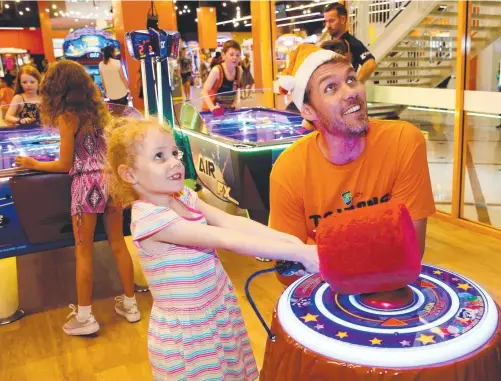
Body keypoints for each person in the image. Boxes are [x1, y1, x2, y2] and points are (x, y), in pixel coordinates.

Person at [105, 118, 319, 381]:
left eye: (175, 153)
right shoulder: (150, 221)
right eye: (159, 157)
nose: (174, 162)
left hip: (218, 309)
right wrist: (298, 254)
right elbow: (225, 238)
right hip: (190, 334)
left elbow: (230, 221)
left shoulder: (183, 197)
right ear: (130, 175)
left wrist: (291, 242)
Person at [271, 45, 435, 281]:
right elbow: (288, 270)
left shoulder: (404, 142)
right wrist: (377, 242)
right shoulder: (289, 171)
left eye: (351, 79)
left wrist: (320, 252)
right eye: (331, 87)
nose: (350, 92)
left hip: (391, 290)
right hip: (323, 299)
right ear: (308, 110)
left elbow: (411, 250)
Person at [14, 60, 140, 335]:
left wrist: (32, 163)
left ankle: (85, 317)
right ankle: (131, 306)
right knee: (118, 245)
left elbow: (64, 164)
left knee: (83, 253)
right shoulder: (100, 111)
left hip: (86, 186)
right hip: (110, 181)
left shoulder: (68, 117)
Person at [323, 2, 377, 82]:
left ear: (342, 20)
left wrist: (356, 84)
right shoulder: (327, 44)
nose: (328, 25)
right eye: (326, 21)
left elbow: (370, 64)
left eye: (331, 21)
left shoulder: (351, 42)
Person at [201, 40, 242, 113]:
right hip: (211, 111)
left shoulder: (239, 70)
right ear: (223, 55)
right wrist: (212, 107)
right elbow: (204, 91)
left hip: (228, 110)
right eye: (231, 54)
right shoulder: (217, 70)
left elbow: (237, 88)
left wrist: (235, 102)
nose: (235, 57)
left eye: (238, 55)